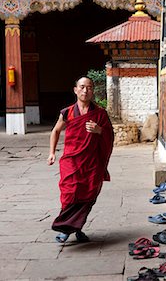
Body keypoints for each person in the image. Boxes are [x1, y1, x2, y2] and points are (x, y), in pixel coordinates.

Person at [47, 76, 114, 243]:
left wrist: (99, 130)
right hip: (71, 160)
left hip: (91, 161)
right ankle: (65, 228)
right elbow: (55, 131)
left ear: (93, 91)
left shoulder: (99, 113)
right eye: (82, 87)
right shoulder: (68, 112)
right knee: (69, 193)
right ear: (75, 90)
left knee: (89, 195)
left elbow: (109, 135)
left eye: (89, 87)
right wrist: (52, 152)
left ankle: (77, 228)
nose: (85, 90)